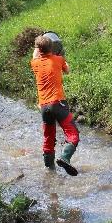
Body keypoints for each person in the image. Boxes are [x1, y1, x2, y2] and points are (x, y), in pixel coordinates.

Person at [30, 33, 79, 176]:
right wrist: (62, 57)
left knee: (48, 138)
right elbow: (68, 70)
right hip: (58, 103)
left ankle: (50, 171)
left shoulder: (35, 63)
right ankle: (65, 157)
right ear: (52, 47)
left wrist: (37, 47)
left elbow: (35, 55)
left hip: (44, 107)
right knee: (73, 134)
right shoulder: (59, 60)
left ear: (38, 50)